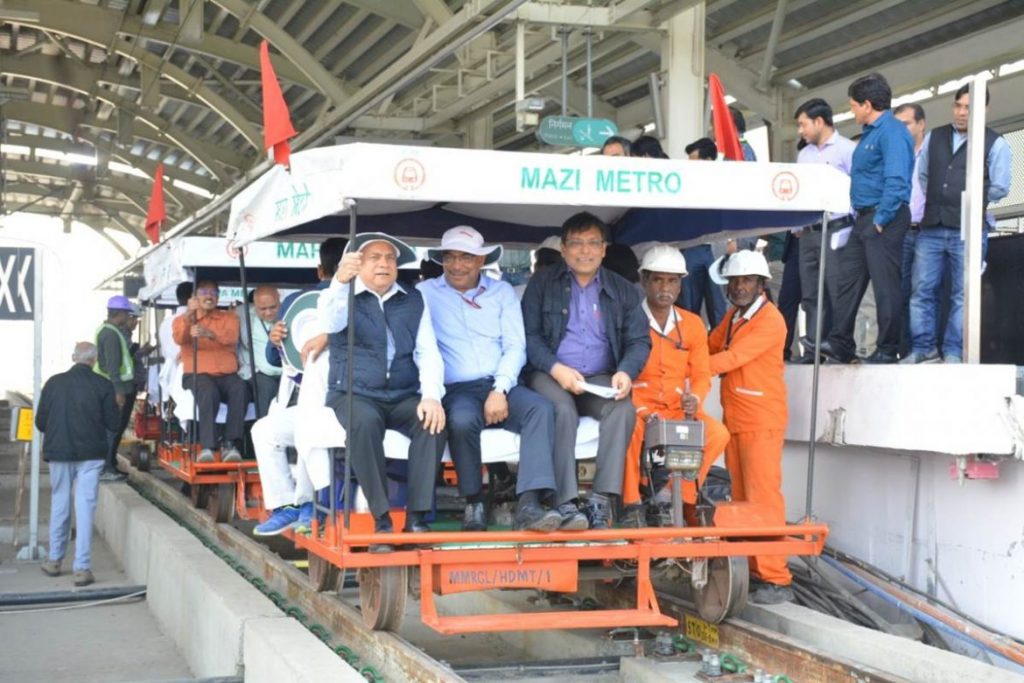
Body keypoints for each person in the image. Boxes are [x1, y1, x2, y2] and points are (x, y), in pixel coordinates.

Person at [418, 226, 563, 532]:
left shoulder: (502, 292)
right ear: (441, 259)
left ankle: (529, 504)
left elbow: (515, 346)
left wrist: (500, 388)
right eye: (450, 257)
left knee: (542, 409)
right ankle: (474, 501)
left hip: (502, 382)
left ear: (481, 260)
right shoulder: (425, 293)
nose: (457, 265)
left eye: (466, 257)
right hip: (456, 389)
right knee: (459, 419)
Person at [318, 233, 447, 551]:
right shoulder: (341, 295)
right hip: (354, 392)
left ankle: (417, 518)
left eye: (390, 258)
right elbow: (329, 322)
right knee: (363, 422)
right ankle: (381, 520)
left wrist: (431, 395)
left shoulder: (412, 298)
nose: (384, 263)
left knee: (431, 422)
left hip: (402, 392)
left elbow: (427, 351)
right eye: (374, 257)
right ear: (357, 263)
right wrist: (339, 282)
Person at [522, 212, 650, 529]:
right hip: (550, 372)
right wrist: (557, 368)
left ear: (604, 249)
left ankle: (601, 501)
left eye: (593, 243)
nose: (585, 251)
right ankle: (564, 502)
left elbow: (638, 341)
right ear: (564, 249)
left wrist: (625, 372)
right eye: (576, 243)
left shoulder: (624, 290)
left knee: (623, 410)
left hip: (599, 378)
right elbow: (529, 337)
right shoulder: (541, 283)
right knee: (561, 410)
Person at [706, 250, 793, 605]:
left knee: (763, 499)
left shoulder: (770, 320)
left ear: (760, 285)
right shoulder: (734, 316)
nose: (739, 286)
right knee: (743, 499)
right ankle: (757, 572)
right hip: (738, 418)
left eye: (746, 281)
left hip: (761, 419)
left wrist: (687, 371)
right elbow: (710, 345)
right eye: (735, 281)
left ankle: (777, 577)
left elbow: (731, 358)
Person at [622, 245, 730, 526]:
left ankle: (673, 494)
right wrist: (641, 409)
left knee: (717, 433)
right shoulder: (628, 319)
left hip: (675, 407)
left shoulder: (692, 324)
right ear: (644, 280)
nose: (665, 287)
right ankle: (631, 502)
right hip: (637, 406)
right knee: (628, 429)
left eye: (672, 280)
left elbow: (702, 374)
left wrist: (695, 396)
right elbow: (618, 373)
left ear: (681, 284)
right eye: (658, 279)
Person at [905, 85, 1012, 364]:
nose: (962, 112)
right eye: (958, 105)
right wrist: (943, 198)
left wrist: (970, 200)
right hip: (931, 226)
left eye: (968, 107)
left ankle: (953, 352)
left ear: (983, 110)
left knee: (962, 294)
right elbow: (924, 176)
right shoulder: (934, 137)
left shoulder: (995, 143)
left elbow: (1001, 187)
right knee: (922, 289)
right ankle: (923, 348)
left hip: (969, 228)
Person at [253, 238, 346, 536]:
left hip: (354, 402)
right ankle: (288, 507)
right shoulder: (296, 301)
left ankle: (307, 505)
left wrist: (274, 341)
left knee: (305, 424)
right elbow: (277, 356)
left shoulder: (361, 300)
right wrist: (275, 338)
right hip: (314, 399)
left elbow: (272, 358)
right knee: (267, 429)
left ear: (319, 270)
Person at [819, 73, 913, 364]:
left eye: (854, 105)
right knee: (847, 281)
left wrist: (880, 220)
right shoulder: (872, 133)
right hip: (864, 219)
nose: (851, 111)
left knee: (885, 287)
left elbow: (897, 181)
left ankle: (886, 349)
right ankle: (840, 343)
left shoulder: (893, 133)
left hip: (885, 217)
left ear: (868, 104)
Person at [36, 342, 121, 587]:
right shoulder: (104, 385)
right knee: (85, 508)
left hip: (59, 453)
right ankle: (82, 568)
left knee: (59, 502)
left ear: (74, 358)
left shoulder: (53, 383)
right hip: (91, 456)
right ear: (93, 361)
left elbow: (41, 422)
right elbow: (114, 425)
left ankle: (54, 561)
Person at [792, 98, 856, 358]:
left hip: (837, 231)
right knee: (810, 295)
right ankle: (813, 349)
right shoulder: (804, 155)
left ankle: (837, 346)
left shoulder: (847, 150)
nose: (800, 131)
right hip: (808, 234)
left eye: (803, 124)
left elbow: (857, 190)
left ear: (819, 122)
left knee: (835, 292)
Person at [171, 279, 248, 463]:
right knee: (207, 391)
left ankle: (231, 443)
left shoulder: (229, 318)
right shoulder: (184, 319)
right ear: (195, 297)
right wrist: (189, 315)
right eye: (204, 292)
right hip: (197, 373)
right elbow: (179, 339)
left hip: (226, 373)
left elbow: (231, 337)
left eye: (213, 293)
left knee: (241, 389)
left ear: (218, 297)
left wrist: (209, 334)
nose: (209, 296)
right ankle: (208, 446)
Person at [893, 102, 928, 358]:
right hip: (902, 231)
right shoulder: (896, 155)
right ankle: (904, 351)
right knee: (901, 293)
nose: (901, 129)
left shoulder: (934, 152)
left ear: (920, 124)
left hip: (929, 231)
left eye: (905, 123)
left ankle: (924, 348)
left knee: (924, 292)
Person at [681, 138, 728, 328]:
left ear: (708, 160)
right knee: (688, 303)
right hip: (691, 248)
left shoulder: (725, 183)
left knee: (717, 304)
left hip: (716, 250)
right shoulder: (684, 184)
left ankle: (720, 348)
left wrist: (731, 240)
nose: (691, 166)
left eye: (695, 160)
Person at [94, 295, 139, 481]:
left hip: (112, 387)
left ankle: (109, 465)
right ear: (120, 313)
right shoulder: (111, 334)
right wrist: (119, 392)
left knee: (112, 429)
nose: (128, 317)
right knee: (112, 429)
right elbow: (113, 367)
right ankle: (106, 468)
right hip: (114, 389)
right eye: (127, 314)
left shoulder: (107, 330)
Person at [239, 285, 282, 417]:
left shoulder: (288, 313)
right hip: (258, 373)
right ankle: (264, 434)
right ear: (254, 305)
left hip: (286, 373)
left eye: (273, 307)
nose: (268, 312)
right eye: (262, 309)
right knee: (268, 388)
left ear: (279, 301)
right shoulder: (243, 315)